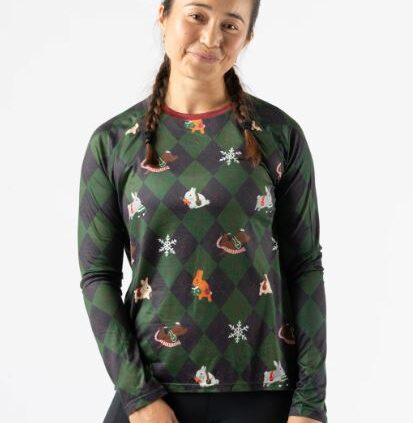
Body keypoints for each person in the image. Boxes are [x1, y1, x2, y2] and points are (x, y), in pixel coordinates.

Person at [76, 1, 328, 422]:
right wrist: (139, 397)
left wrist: (310, 404)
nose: (211, 38)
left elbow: (305, 266)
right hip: (154, 394)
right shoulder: (113, 143)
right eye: (197, 15)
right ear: (163, 16)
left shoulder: (279, 135)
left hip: (263, 392)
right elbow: (97, 277)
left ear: (247, 37)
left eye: (230, 25)